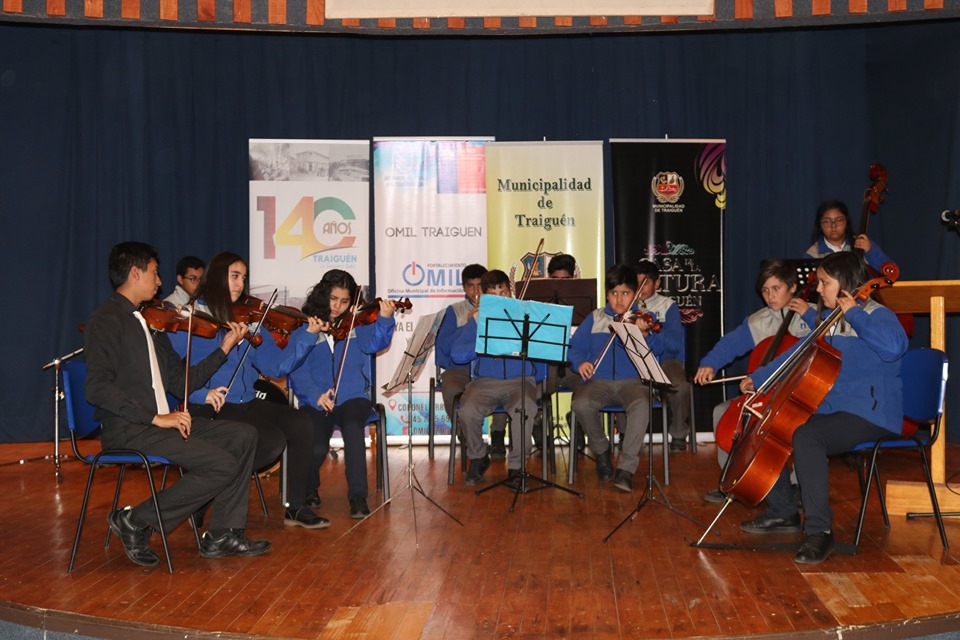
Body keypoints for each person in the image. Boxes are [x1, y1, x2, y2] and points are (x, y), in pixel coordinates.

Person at [83, 241, 269, 566]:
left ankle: (222, 534)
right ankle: (135, 520)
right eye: (155, 273)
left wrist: (224, 348)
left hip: (157, 424)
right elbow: (96, 388)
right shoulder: (106, 320)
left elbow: (181, 381)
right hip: (130, 428)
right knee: (222, 465)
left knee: (243, 435)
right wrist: (155, 417)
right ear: (135, 273)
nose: (159, 282)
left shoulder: (151, 324)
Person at [737, 251, 907, 564]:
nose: (817, 289)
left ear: (845, 283)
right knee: (772, 423)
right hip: (833, 412)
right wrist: (759, 378)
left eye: (824, 282)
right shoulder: (828, 320)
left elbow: (894, 348)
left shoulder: (877, 314)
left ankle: (820, 532)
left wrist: (854, 313)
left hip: (872, 414)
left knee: (808, 436)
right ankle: (783, 510)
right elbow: (796, 355)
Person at [167, 251, 330, 530]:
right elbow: (172, 376)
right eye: (234, 276)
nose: (240, 284)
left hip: (245, 401)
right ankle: (203, 494)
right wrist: (199, 394)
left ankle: (295, 506)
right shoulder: (192, 318)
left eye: (243, 277)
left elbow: (276, 367)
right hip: (209, 405)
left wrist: (306, 336)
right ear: (216, 277)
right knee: (269, 440)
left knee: (300, 422)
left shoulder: (248, 319)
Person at [693, 260, 813, 502]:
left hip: (802, 394)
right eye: (765, 290)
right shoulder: (758, 320)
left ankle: (799, 486)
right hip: (765, 393)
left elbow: (829, 341)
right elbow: (730, 344)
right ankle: (732, 480)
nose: (770, 296)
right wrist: (710, 363)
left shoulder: (814, 314)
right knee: (722, 413)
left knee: (801, 427)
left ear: (792, 287)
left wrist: (810, 316)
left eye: (776, 288)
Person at [289, 270, 396, 519]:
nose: (338, 306)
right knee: (316, 446)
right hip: (316, 400)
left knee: (353, 428)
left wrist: (385, 320)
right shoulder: (305, 327)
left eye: (345, 301)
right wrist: (315, 395)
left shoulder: (358, 324)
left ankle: (358, 497)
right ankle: (309, 489)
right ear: (322, 295)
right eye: (333, 299)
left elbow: (376, 343)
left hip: (353, 397)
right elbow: (297, 370)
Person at [449, 269, 547, 486]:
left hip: (520, 380)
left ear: (511, 292)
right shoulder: (477, 319)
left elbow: (546, 351)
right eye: (493, 295)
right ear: (484, 298)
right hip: (485, 382)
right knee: (467, 410)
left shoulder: (527, 316)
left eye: (503, 293)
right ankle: (478, 456)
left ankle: (517, 466)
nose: (500, 298)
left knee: (524, 409)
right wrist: (481, 344)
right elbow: (456, 354)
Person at [569, 264, 661, 492]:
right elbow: (574, 347)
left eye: (625, 293)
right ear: (607, 294)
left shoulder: (645, 318)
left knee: (641, 404)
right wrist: (580, 362)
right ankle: (602, 451)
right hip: (598, 381)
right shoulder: (595, 318)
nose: (619, 299)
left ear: (635, 295)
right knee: (580, 403)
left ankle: (626, 469)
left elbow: (661, 350)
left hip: (634, 382)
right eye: (614, 293)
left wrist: (646, 334)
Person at [435, 264, 509, 459]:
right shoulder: (454, 310)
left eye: (480, 286)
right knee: (451, 388)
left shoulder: (503, 307)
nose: (476, 291)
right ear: (464, 288)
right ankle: (466, 437)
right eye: (470, 286)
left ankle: (498, 434)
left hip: (488, 366)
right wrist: (468, 325)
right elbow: (444, 349)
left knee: (504, 379)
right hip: (461, 368)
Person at [635, 259, 691, 452]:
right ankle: (628, 434)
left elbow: (675, 345)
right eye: (636, 283)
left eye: (645, 283)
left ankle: (679, 433)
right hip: (636, 359)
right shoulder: (627, 304)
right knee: (624, 383)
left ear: (657, 283)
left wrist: (653, 331)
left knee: (680, 387)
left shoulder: (668, 306)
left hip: (666, 360)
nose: (640, 288)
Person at [803, 199, 892, 272]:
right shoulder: (812, 254)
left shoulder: (862, 244)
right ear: (820, 225)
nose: (833, 226)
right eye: (827, 221)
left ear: (846, 222)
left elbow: (890, 271)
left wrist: (870, 251)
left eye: (839, 220)